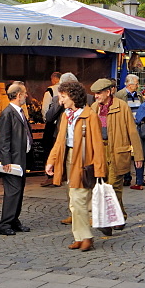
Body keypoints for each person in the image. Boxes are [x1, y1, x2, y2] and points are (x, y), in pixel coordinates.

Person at [45, 80, 107, 252]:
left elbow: (97, 145)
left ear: (73, 96)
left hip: (83, 161)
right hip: (68, 159)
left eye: (63, 97)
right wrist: (51, 161)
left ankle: (86, 237)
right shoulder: (66, 115)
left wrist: (100, 170)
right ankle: (79, 237)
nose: (61, 100)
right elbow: (59, 141)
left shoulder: (90, 116)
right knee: (74, 202)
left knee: (79, 200)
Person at [90, 78, 143, 232]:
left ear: (108, 92)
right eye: (95, 94)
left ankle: (109, 221)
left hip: (118, 151)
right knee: (103, 186)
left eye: (99, 93)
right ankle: (119, 216)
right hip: (100, 152)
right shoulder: (94, 108)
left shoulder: (122, 107)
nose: (96, 96)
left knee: (112, 187)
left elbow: (132, 131)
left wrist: (138, 155)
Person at [0, 82, 32, 235]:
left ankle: (13, 220)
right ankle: (4, 224)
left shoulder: (19, 111)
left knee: (18, 190)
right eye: (24, 93)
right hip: (13, 159)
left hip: (20, 157)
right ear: (18, 95)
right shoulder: (8, 113)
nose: (26, 96)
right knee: (13, 191)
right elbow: (3, 139)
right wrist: (6, 161)